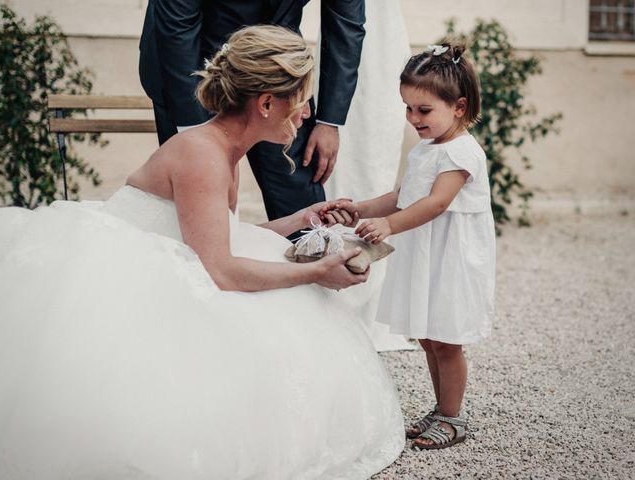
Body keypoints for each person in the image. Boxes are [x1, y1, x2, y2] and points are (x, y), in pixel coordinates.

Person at [0, 26, 404, 478]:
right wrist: (317, 272)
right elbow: (220, 270)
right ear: (266, 103)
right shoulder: (201, 155)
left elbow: (212, 234)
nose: (308, 111)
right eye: (303, 99)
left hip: (176, 261)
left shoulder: (223, 148)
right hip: (124, 281)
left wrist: (297, 220)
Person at [324, 43, 496, 449]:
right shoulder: (426, 148)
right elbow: (403, 196)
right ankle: (441, 409)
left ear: (458, 107)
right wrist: (359, 208)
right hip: (427, 252)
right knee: (428, 336)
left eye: (423, 110)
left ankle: (453, 418)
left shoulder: (461, 152)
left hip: (451, 256)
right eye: (408, 108)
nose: (413, 118)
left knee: (447, 339)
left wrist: (388, 225)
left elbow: (435, 203)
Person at [138, 0, 366, 223]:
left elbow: (345, 24)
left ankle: (312, 260)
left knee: (302, 208)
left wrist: (329, 121)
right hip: (191, 68)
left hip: (278, 73)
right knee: (193, 210)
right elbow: (177, 24)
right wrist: (196, 139)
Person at [321, 0, 413, 352]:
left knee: (372, 159)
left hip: (379, 57)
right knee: (341, 169)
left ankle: (363, 291)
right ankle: (326, 277)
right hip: (340, 57)